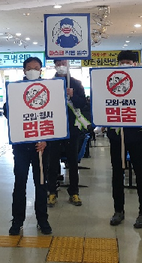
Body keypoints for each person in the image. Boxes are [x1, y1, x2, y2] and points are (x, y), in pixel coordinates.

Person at [6, 57, 51, 236]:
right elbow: (7, 112)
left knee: (41, 184)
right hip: (21, 147)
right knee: (19, 184)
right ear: (24, 70)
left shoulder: (49, 90)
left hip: (41, 147)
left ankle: (43, 219)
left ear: (41, 70)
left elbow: (53, 117)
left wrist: (47, 139)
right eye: (29, 68)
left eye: (36, 68)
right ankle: (17, 221)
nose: (33, 70)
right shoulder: (16, 89)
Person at [107, 50, 142, 229]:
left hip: (138, 133)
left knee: (140, 170)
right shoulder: (110, 80)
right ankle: (118, 210)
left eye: (129, 61)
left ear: (135, 63)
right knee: (117, 172)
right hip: (117, 135)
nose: (125, 64)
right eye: (122, 61)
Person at [47, 60, 89, 207]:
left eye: (63, 62)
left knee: (72, 162)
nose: (61, 65)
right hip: (53, 128)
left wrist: (73, 96)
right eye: (58, 63)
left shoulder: (76, 83)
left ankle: (74, 192)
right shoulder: (49, 83)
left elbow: (83, 104)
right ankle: (52, 191)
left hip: (72, 129)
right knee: (52, 162)